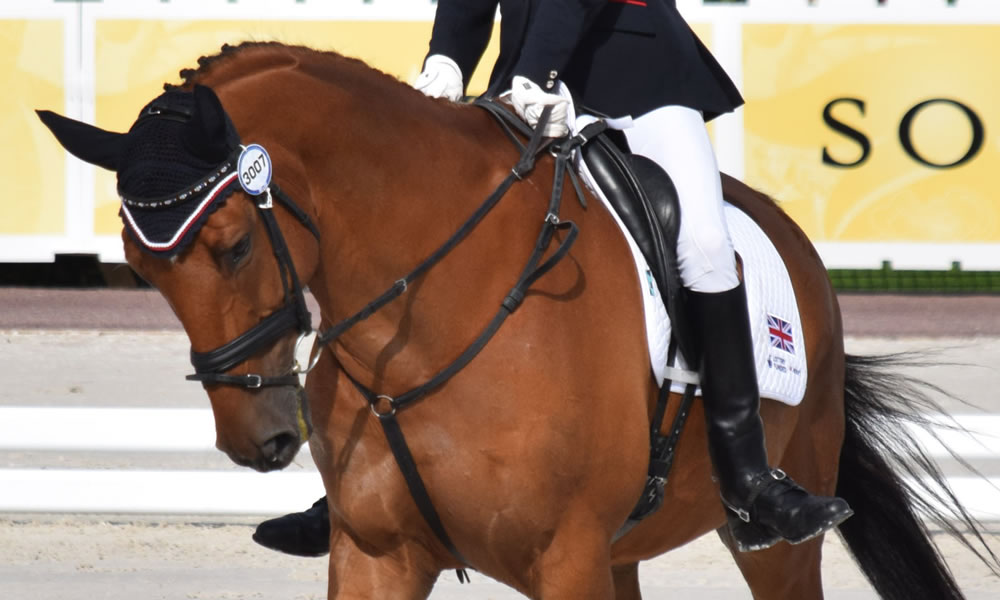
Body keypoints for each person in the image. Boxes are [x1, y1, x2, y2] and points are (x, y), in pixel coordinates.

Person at [253, 0, 852, 557]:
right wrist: (449, 57)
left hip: (638, 78)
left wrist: (540, 73)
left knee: (703, 242)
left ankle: (749, 478)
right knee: (417, 232)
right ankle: (354, 485)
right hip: (523, 76)